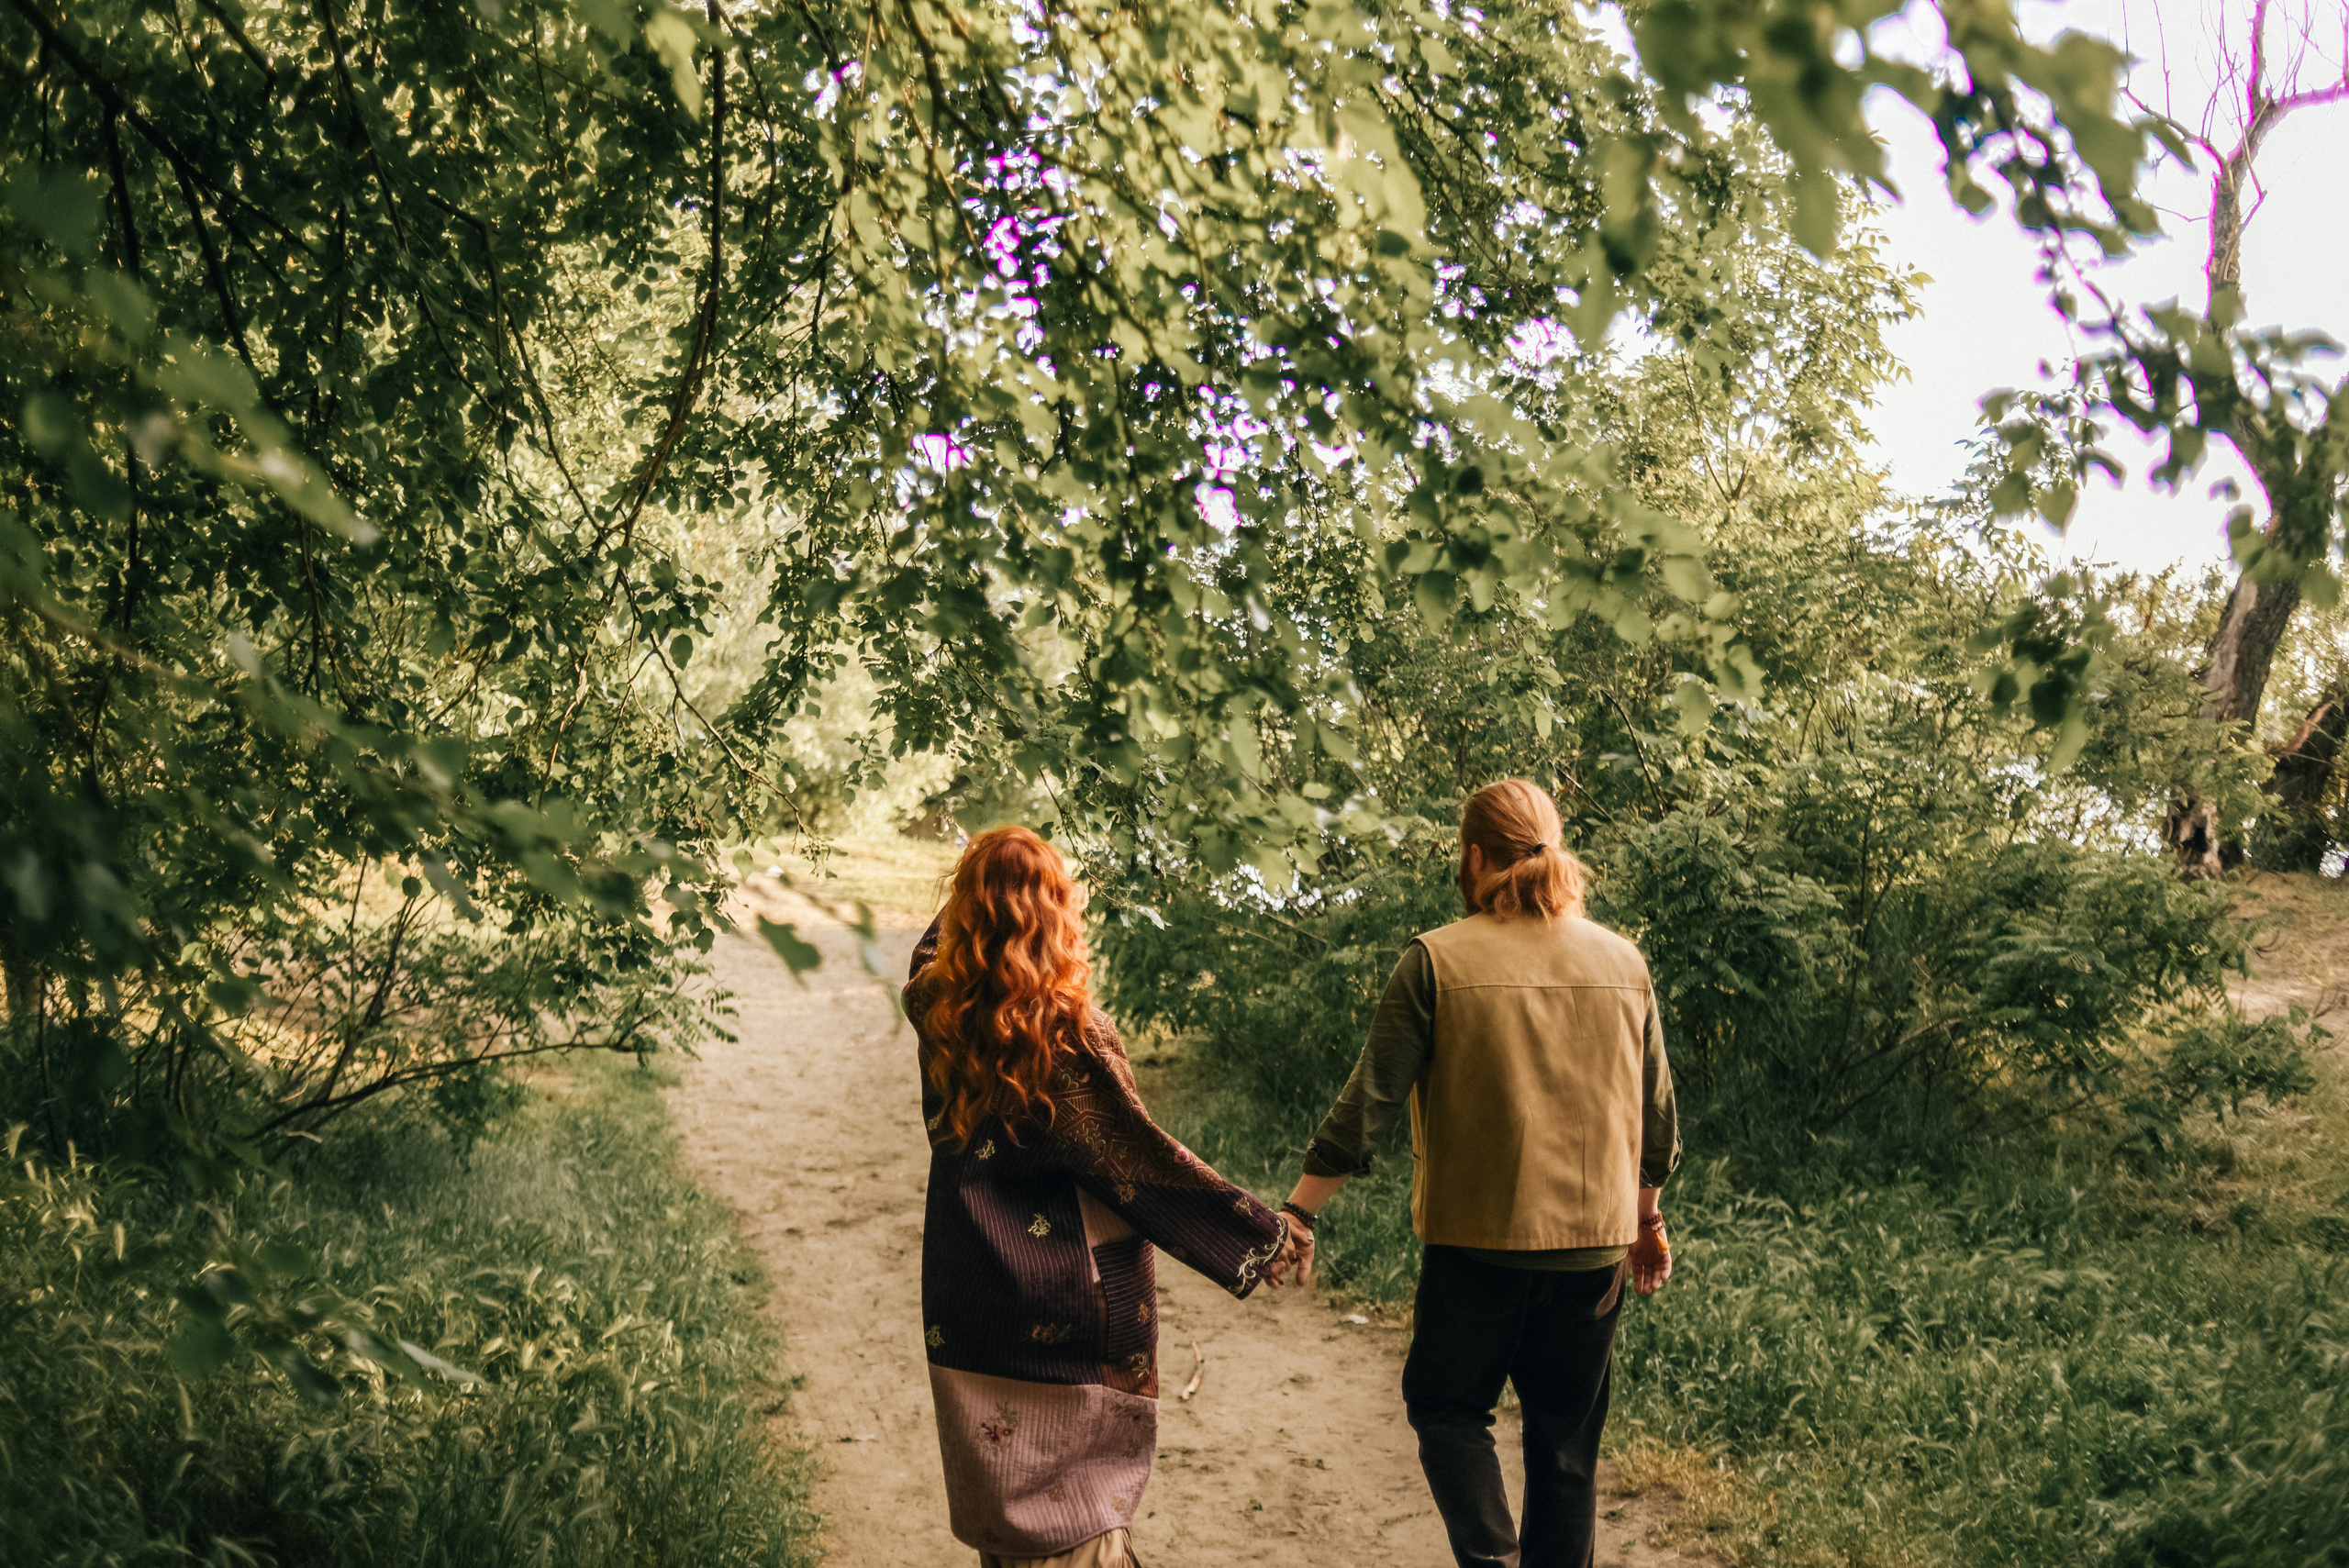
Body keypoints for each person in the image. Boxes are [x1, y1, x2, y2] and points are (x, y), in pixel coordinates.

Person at [1270, 779, 1679, 1568]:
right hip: (1592, 1254)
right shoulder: (1623, 962)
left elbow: (1367, 1108)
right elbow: (1656, 1123)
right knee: (1566, 1446)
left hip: (1476, 1251)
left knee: (1448, 1406)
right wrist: (1645, 1219)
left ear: (1473, 857)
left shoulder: (1436, 959)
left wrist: (1300, 1211)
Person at [906, 825, 1302, 1568]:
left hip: (970, 1294)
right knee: (1082, 1515)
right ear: (1058, 914)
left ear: (963, 915)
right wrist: (1257, 1236)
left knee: (1010, 1515)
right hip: (1074, 1300)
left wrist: (979, 872)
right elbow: (1144, 1163)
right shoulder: (1069, 1038)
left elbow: (932, 949)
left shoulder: (936, 1007)